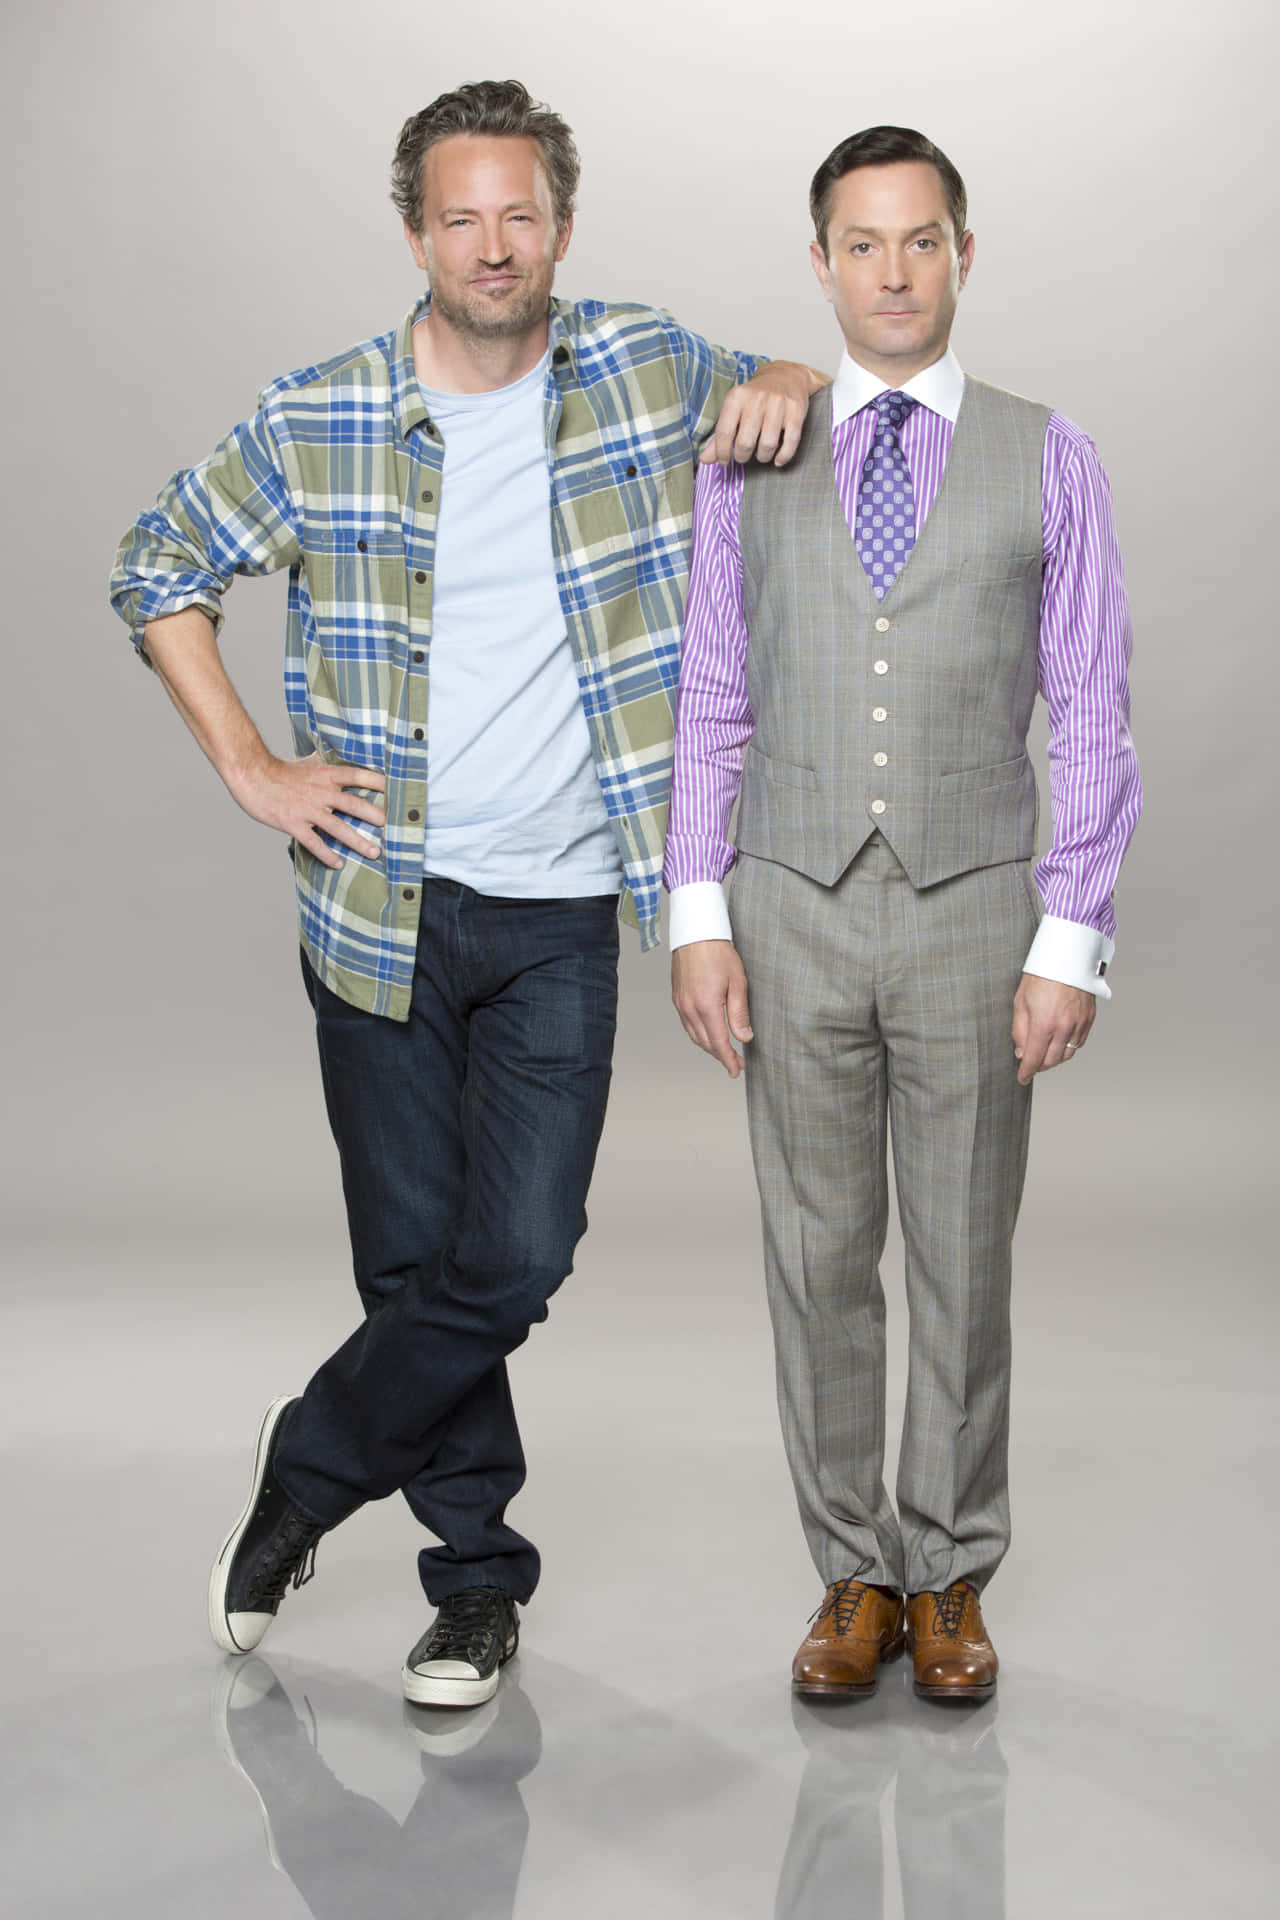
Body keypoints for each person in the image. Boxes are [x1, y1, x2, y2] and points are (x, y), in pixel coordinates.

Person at [110, 79, 824, 1709]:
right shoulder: (322, 414)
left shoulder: (645, 367)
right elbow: (157, 570)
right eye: (460, 215)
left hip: (567, 907)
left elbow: (782, 392)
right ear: (414, 229)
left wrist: (786, 367)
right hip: (378, 908)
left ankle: (304, 1476)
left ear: (561, 226)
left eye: (522, 214)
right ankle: (476, 1587)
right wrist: (251, 768)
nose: (493, 245)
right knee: (408, 1258)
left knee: (511, 1252)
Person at [666, 125, 1140, 1703]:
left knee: (960, 1257)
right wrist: (695, 914)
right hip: (789, 907)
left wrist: (1070, 934)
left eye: (920, 242)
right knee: (817, 1257)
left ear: (963, 255)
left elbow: (1090, 709)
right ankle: (852, 1575)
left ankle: (950, 1575)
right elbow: (712, 699)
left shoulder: (1045, 451)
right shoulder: (753, 451)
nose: (891, 272)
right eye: (861, 246)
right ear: (820, 265)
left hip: (972, 918)